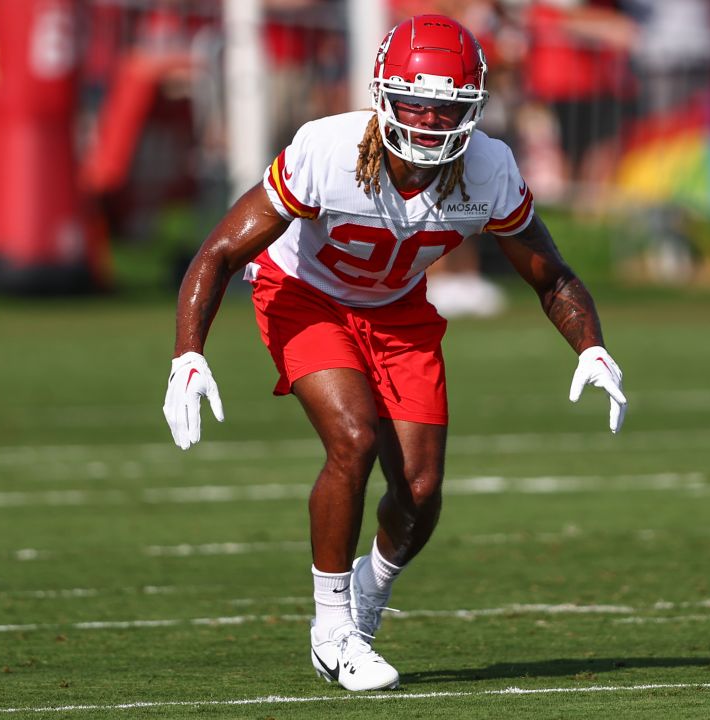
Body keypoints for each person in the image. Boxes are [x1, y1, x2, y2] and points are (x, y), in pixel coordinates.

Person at [162, 14, 628, 691]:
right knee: (351, 437)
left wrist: (591, 348)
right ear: (382, 94)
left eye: (447, 108)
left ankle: (368, 595)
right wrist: (188, 352)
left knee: (420, 491)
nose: (430, 121)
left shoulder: (488, 168)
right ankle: (332, 630)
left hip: (399, 311)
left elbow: (550, 274)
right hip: (305, 294)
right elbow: (223, 249)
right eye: (415, 102)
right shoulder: (328, 148)